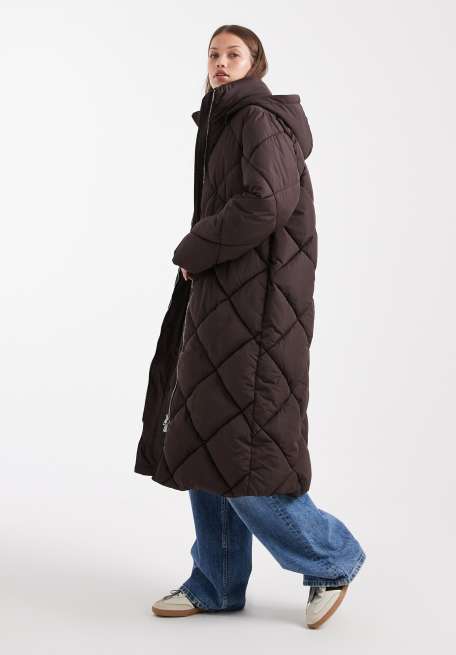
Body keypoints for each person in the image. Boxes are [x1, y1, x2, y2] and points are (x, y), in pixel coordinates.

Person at [134, 25, 366, 630]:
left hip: (258, 310)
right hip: (223, 301)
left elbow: (266, 202)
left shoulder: (257, 118)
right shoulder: (224, 120)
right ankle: (216, 581)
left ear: (255, 64)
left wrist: (194, 247)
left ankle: (331, 559)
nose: (220, 62)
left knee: (246, 450)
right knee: (205, 438)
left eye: (233, 54)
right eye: (213, 54)